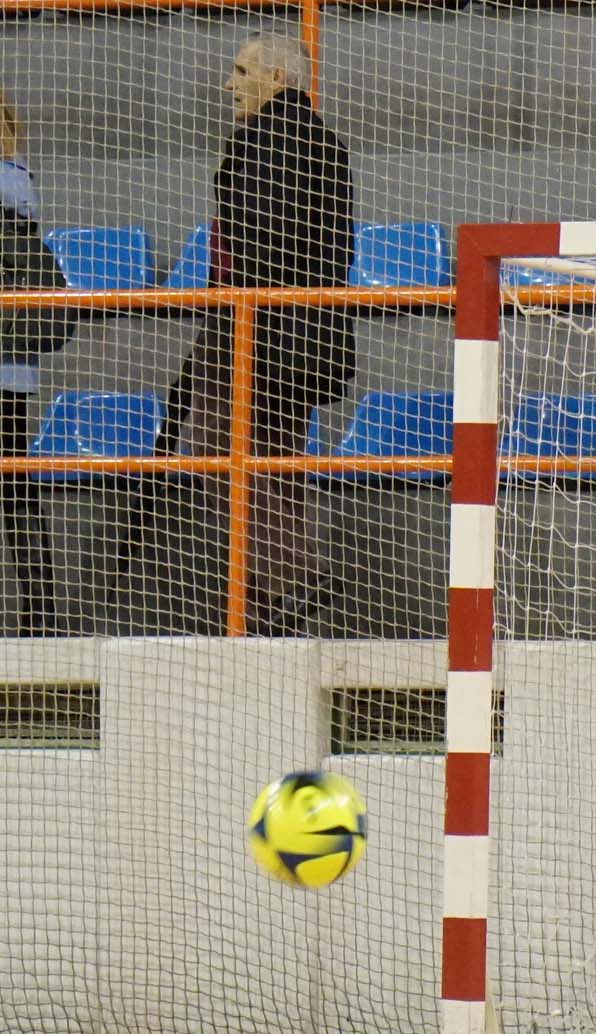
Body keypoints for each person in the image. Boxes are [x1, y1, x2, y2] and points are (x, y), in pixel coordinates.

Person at [151, 32, 355, 636]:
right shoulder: (322, 142)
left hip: (257, 332)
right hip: (304, 334)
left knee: (222, 449)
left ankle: (295, 580)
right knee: (274, 464)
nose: (229, 83)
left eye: (242, 71)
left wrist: (230, 324)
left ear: (277, 80)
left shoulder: (266, 144)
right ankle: (269, 613)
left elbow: (257, 247)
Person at [0, 88, 64, 636]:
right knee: (17, 492)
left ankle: (39, 617)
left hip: (7, 368)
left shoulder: (10, 179)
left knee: (16, 491)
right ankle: (38, 616)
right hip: (13, 369)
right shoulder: (17, 178)